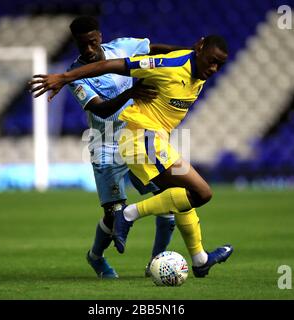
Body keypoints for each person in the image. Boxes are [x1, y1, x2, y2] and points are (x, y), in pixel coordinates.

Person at [30, 34, 233, 278]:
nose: (214, 68)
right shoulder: (167, 66)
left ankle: (198, 260)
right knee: (200, 193)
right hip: (134, 140)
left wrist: (194, 52)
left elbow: (161, 47)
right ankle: (124, 220)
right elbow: (112, 66)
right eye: (211, 61)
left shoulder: (196, 69)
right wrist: (64, 77)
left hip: (151, 140)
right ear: (200, 50)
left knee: (180, 198)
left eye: (219, 64)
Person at [50, 16, 193, 279]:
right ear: (76, 44)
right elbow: (100, 109)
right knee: (113, 215)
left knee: (167, 199)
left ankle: (155, 263)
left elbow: (155, 50)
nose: (89, 50)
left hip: (137, 136)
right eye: (83, 46)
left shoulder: (124, 47)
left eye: (93, 43)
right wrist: (130, 93)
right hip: (104, 144)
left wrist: (187, 55)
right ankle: (96, 257)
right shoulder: (75, 76)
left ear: (100, 37)